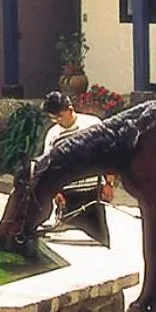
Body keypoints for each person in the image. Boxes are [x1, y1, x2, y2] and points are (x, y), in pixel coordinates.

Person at [36, 90, 114, 245]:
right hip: (68, 196)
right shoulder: (53, 135)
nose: (57, 121)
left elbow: (108, 155)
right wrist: (55, 192)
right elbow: (49, 167)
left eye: (60, 116)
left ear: (70, 110)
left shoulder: (93, 125)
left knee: (100, 238)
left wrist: (109, 184)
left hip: (93, 192)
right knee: (71, 240)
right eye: (53, 118)